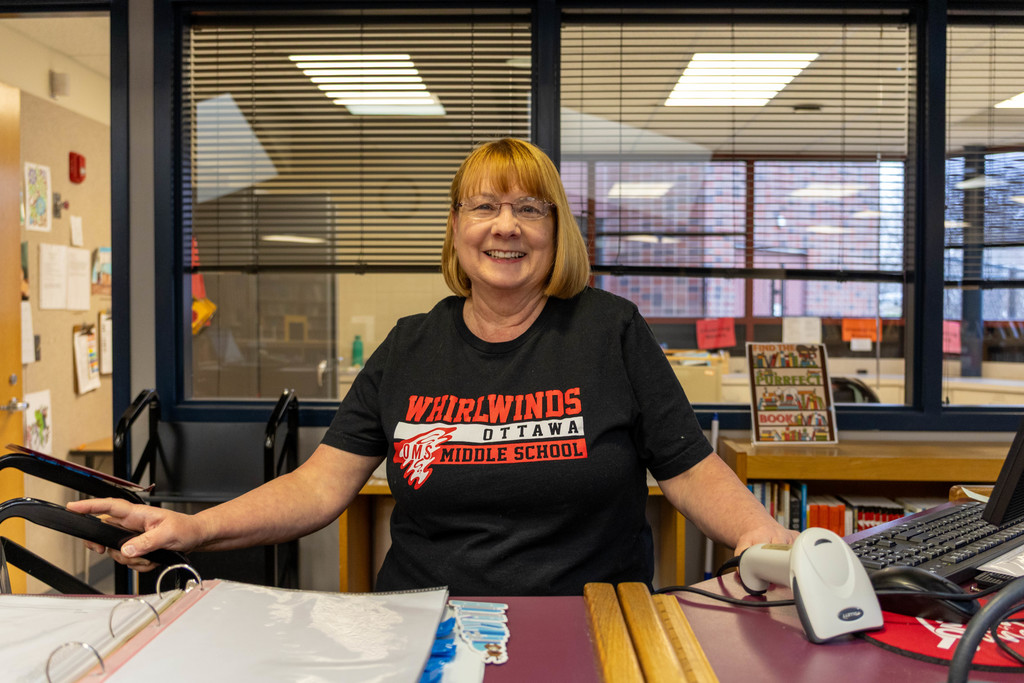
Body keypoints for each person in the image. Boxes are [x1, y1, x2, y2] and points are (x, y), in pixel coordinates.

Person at [69, 138, 796, 596]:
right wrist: (192, 529)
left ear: (555, 232)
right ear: (456, 229)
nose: (505, 225)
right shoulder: (411, 346)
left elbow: (688, 465)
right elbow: (320, 484)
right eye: (484, 206)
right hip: (427, 623)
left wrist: (764, 539)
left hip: (589, 621)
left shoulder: (611, 331)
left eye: (530, 209)